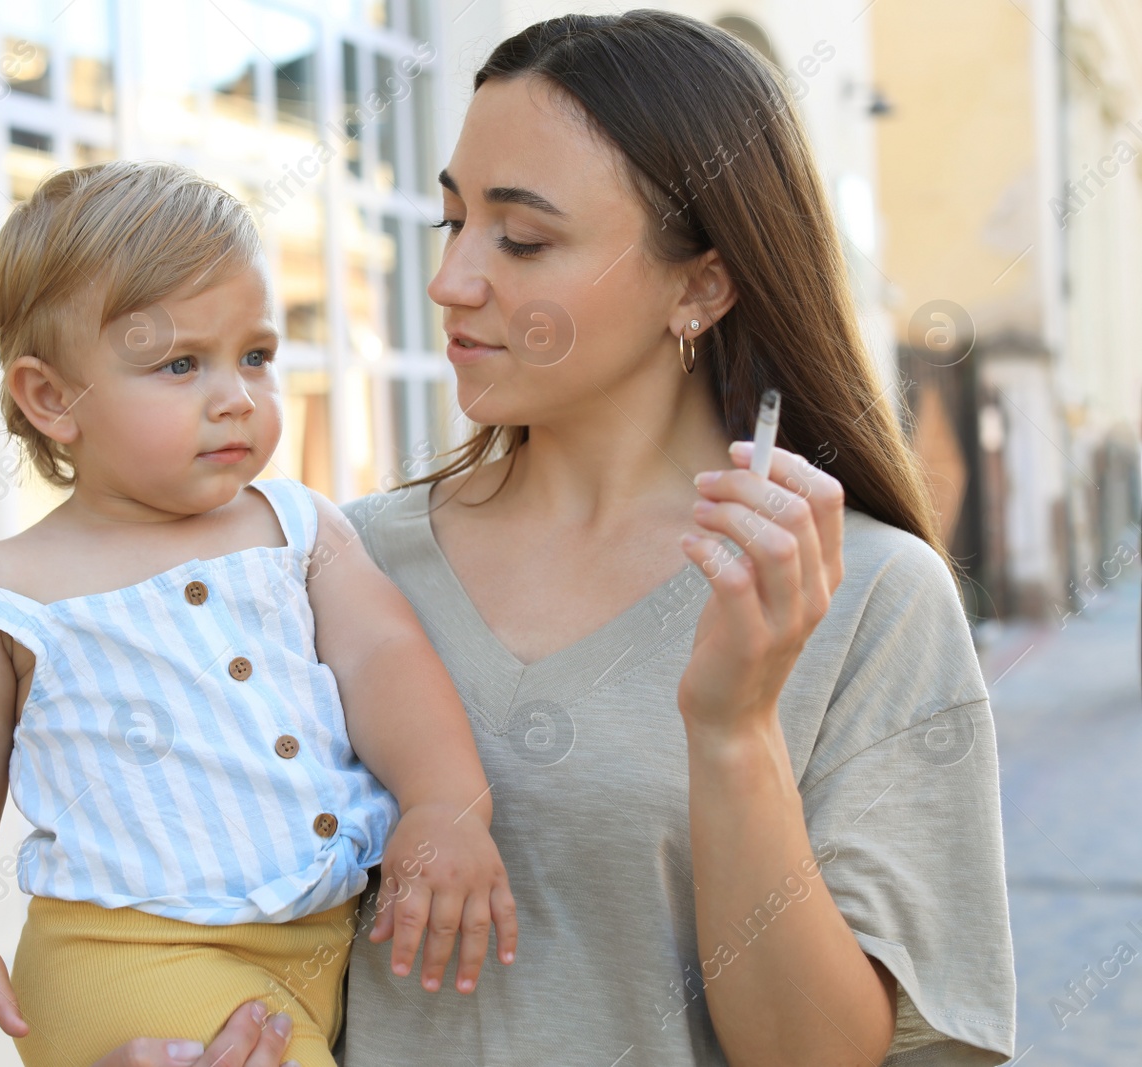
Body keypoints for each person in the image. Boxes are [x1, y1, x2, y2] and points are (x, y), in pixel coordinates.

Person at [90, 10, 1017, 1066]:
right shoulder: (335, 563)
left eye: (522, 238)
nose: (452, 281)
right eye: (453, 224)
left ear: (700, 283)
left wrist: (733, 730)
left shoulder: (864, 595)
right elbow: (220, 919)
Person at [0, 160, 518, 1067]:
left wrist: (443, 802)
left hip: (316, 941)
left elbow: (386, 657)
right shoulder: (8, 594)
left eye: (256, 356)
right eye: (180, 364)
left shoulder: (297, 528)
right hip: (126, 954)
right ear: (51, 398)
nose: (236, 393)